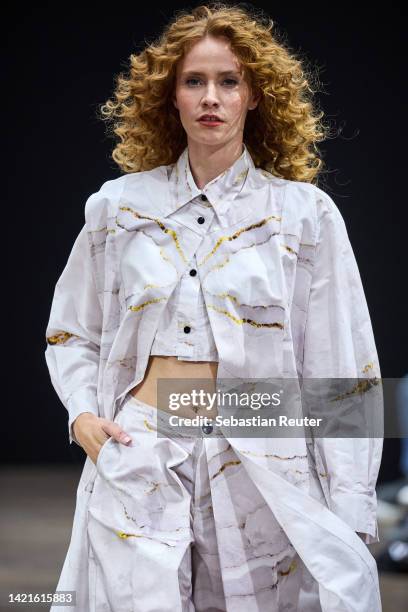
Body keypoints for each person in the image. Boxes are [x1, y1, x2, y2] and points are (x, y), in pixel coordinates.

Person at [44, 3, 384, 611]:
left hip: (263, 452)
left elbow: (343, 368)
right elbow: (73, 332)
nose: (211, 97)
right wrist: (82, 416)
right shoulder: (119, 207)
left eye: (229, 81)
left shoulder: (303, 215)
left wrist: (353, 508)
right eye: (193, 81)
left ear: (255, 96)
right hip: (141, 444)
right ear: (168, 96)